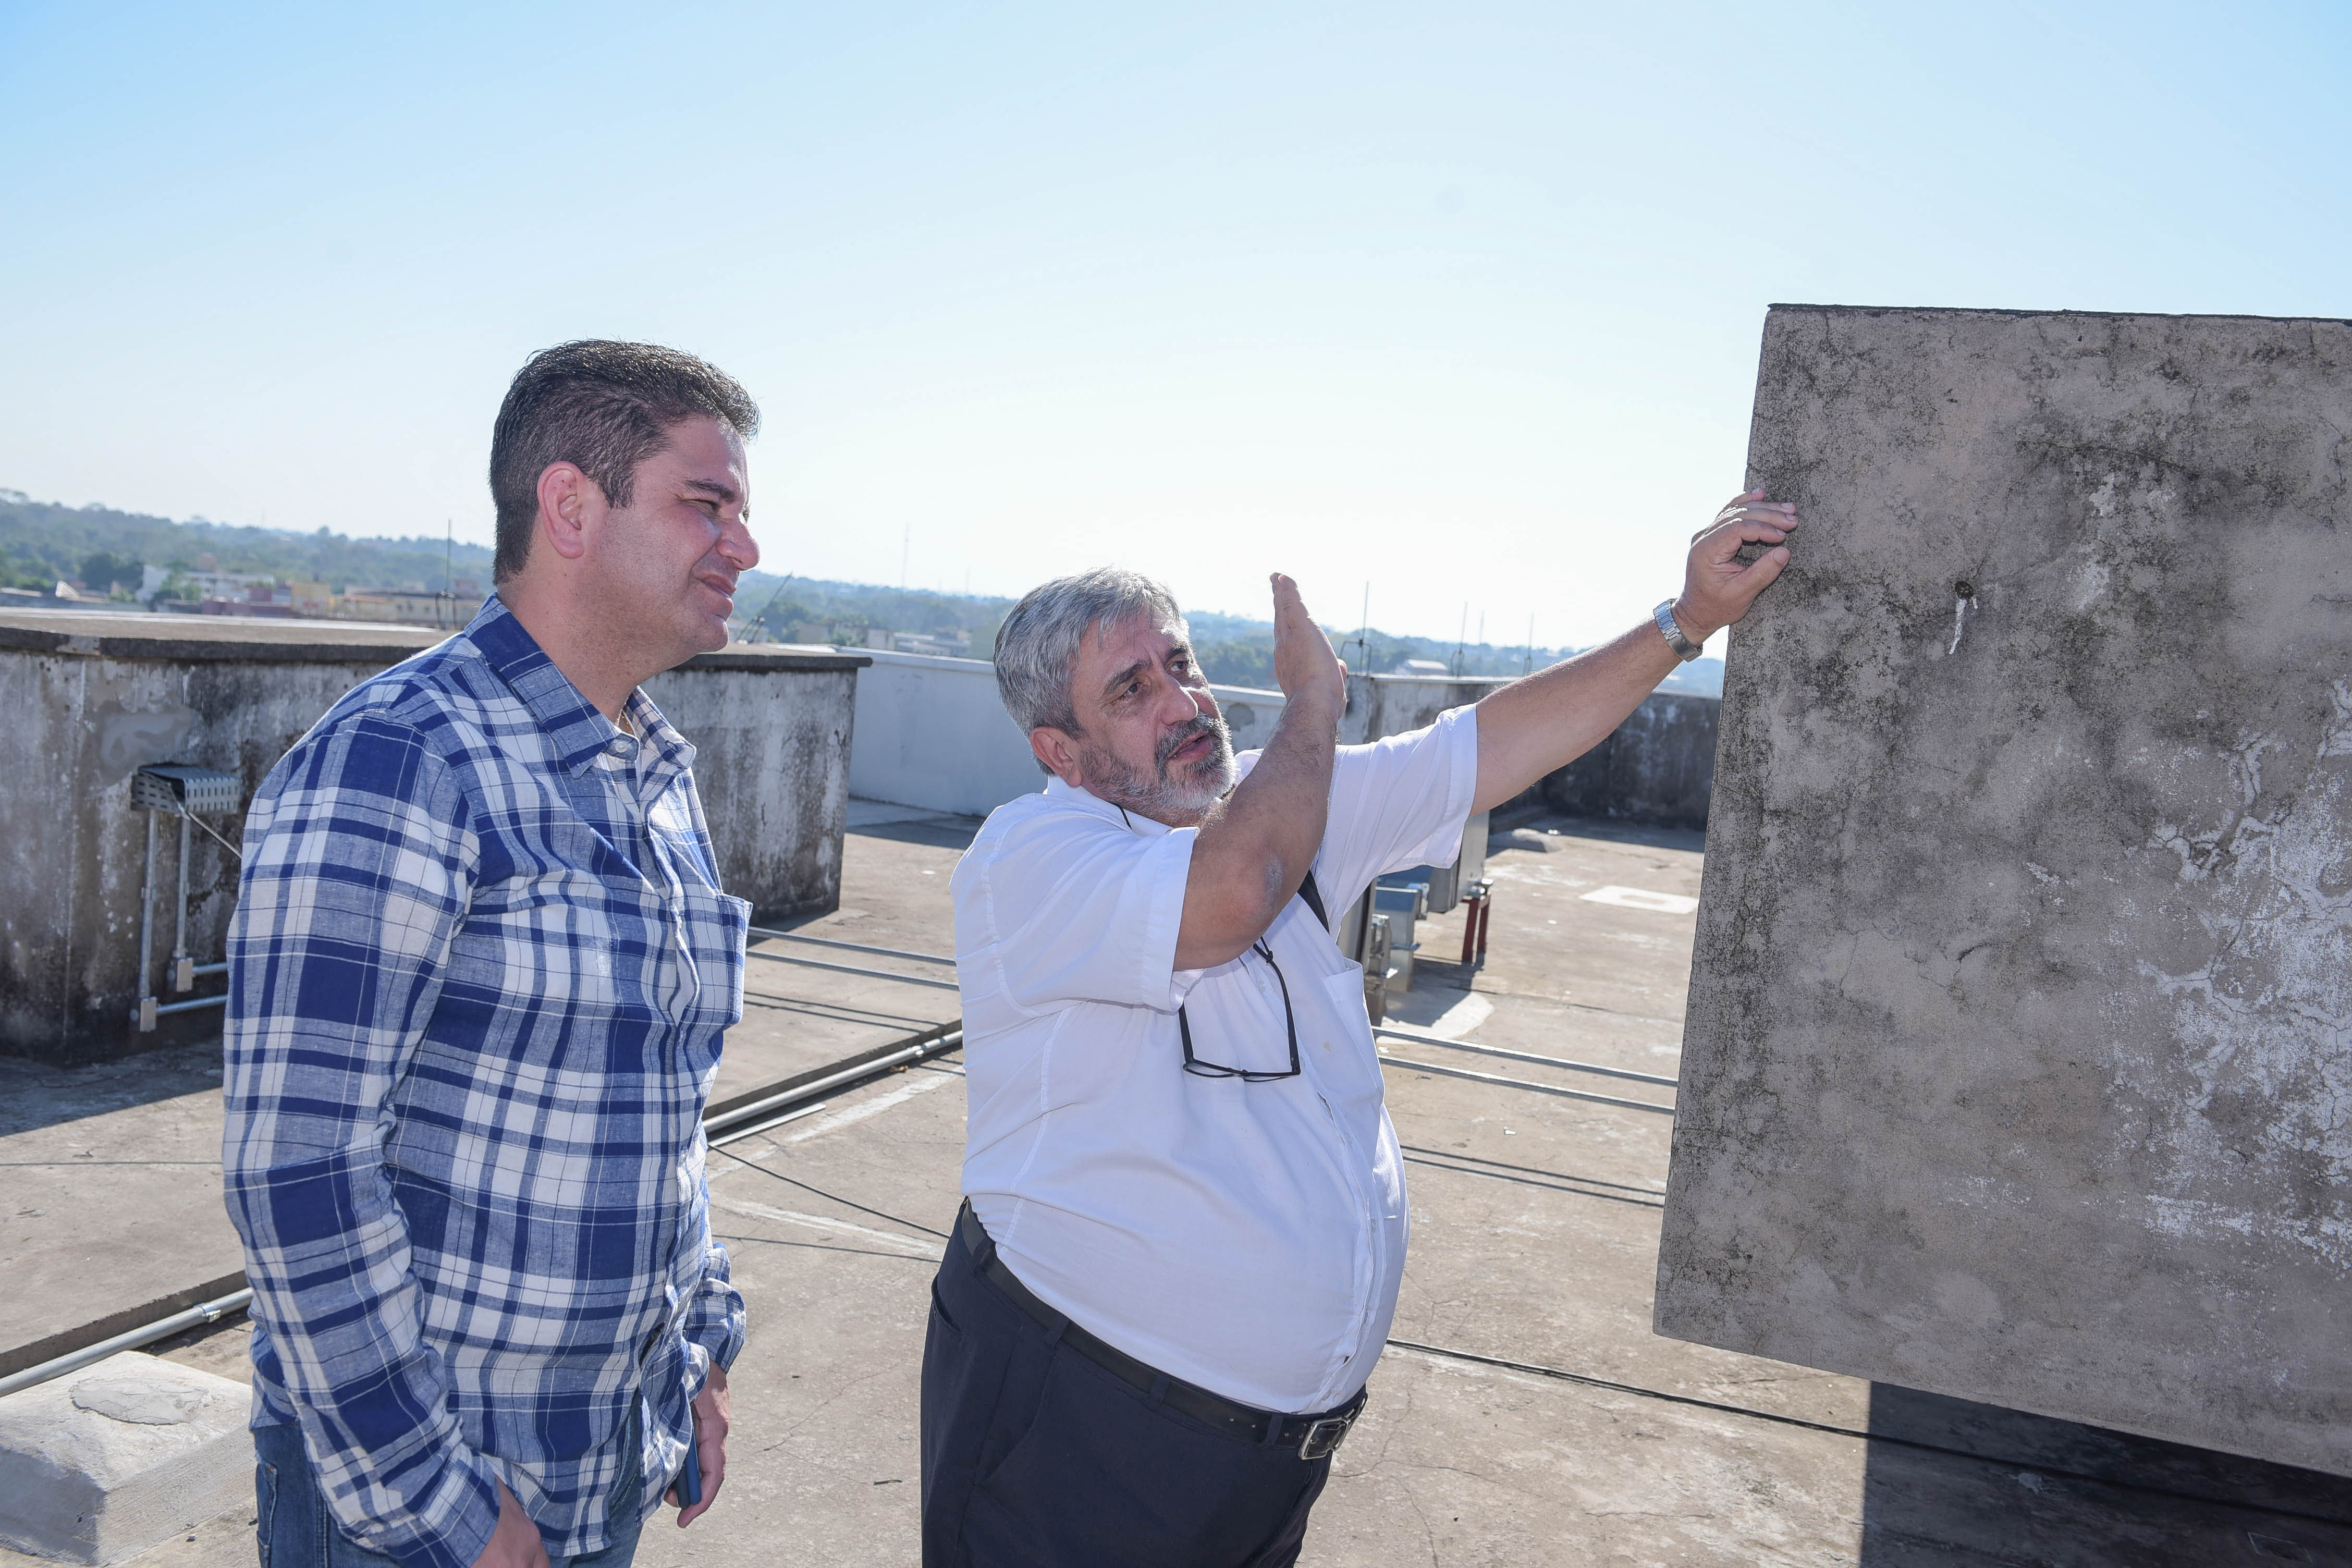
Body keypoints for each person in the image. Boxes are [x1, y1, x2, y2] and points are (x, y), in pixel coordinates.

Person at [922, 492, 1797, 1566]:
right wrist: (1314, 703)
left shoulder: (1267, 811)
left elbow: (1485, 748)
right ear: (1059, 748)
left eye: (1184, 663)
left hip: (1258, 1463)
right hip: (1083, 1430)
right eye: (1133, 688)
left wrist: (1687, 620)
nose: (1186, 699)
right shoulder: (1033, 857)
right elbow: (1234, 889)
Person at [223, 340, 764, 1568]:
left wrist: (701, 1353)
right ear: (571, 506)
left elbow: (657, 1114)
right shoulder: (403, 759)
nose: (743, 544)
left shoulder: (658, 778)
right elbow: (297, 1172)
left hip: (605, 1457)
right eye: (707, 503)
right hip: (421, 1507)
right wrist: (443, 1509)